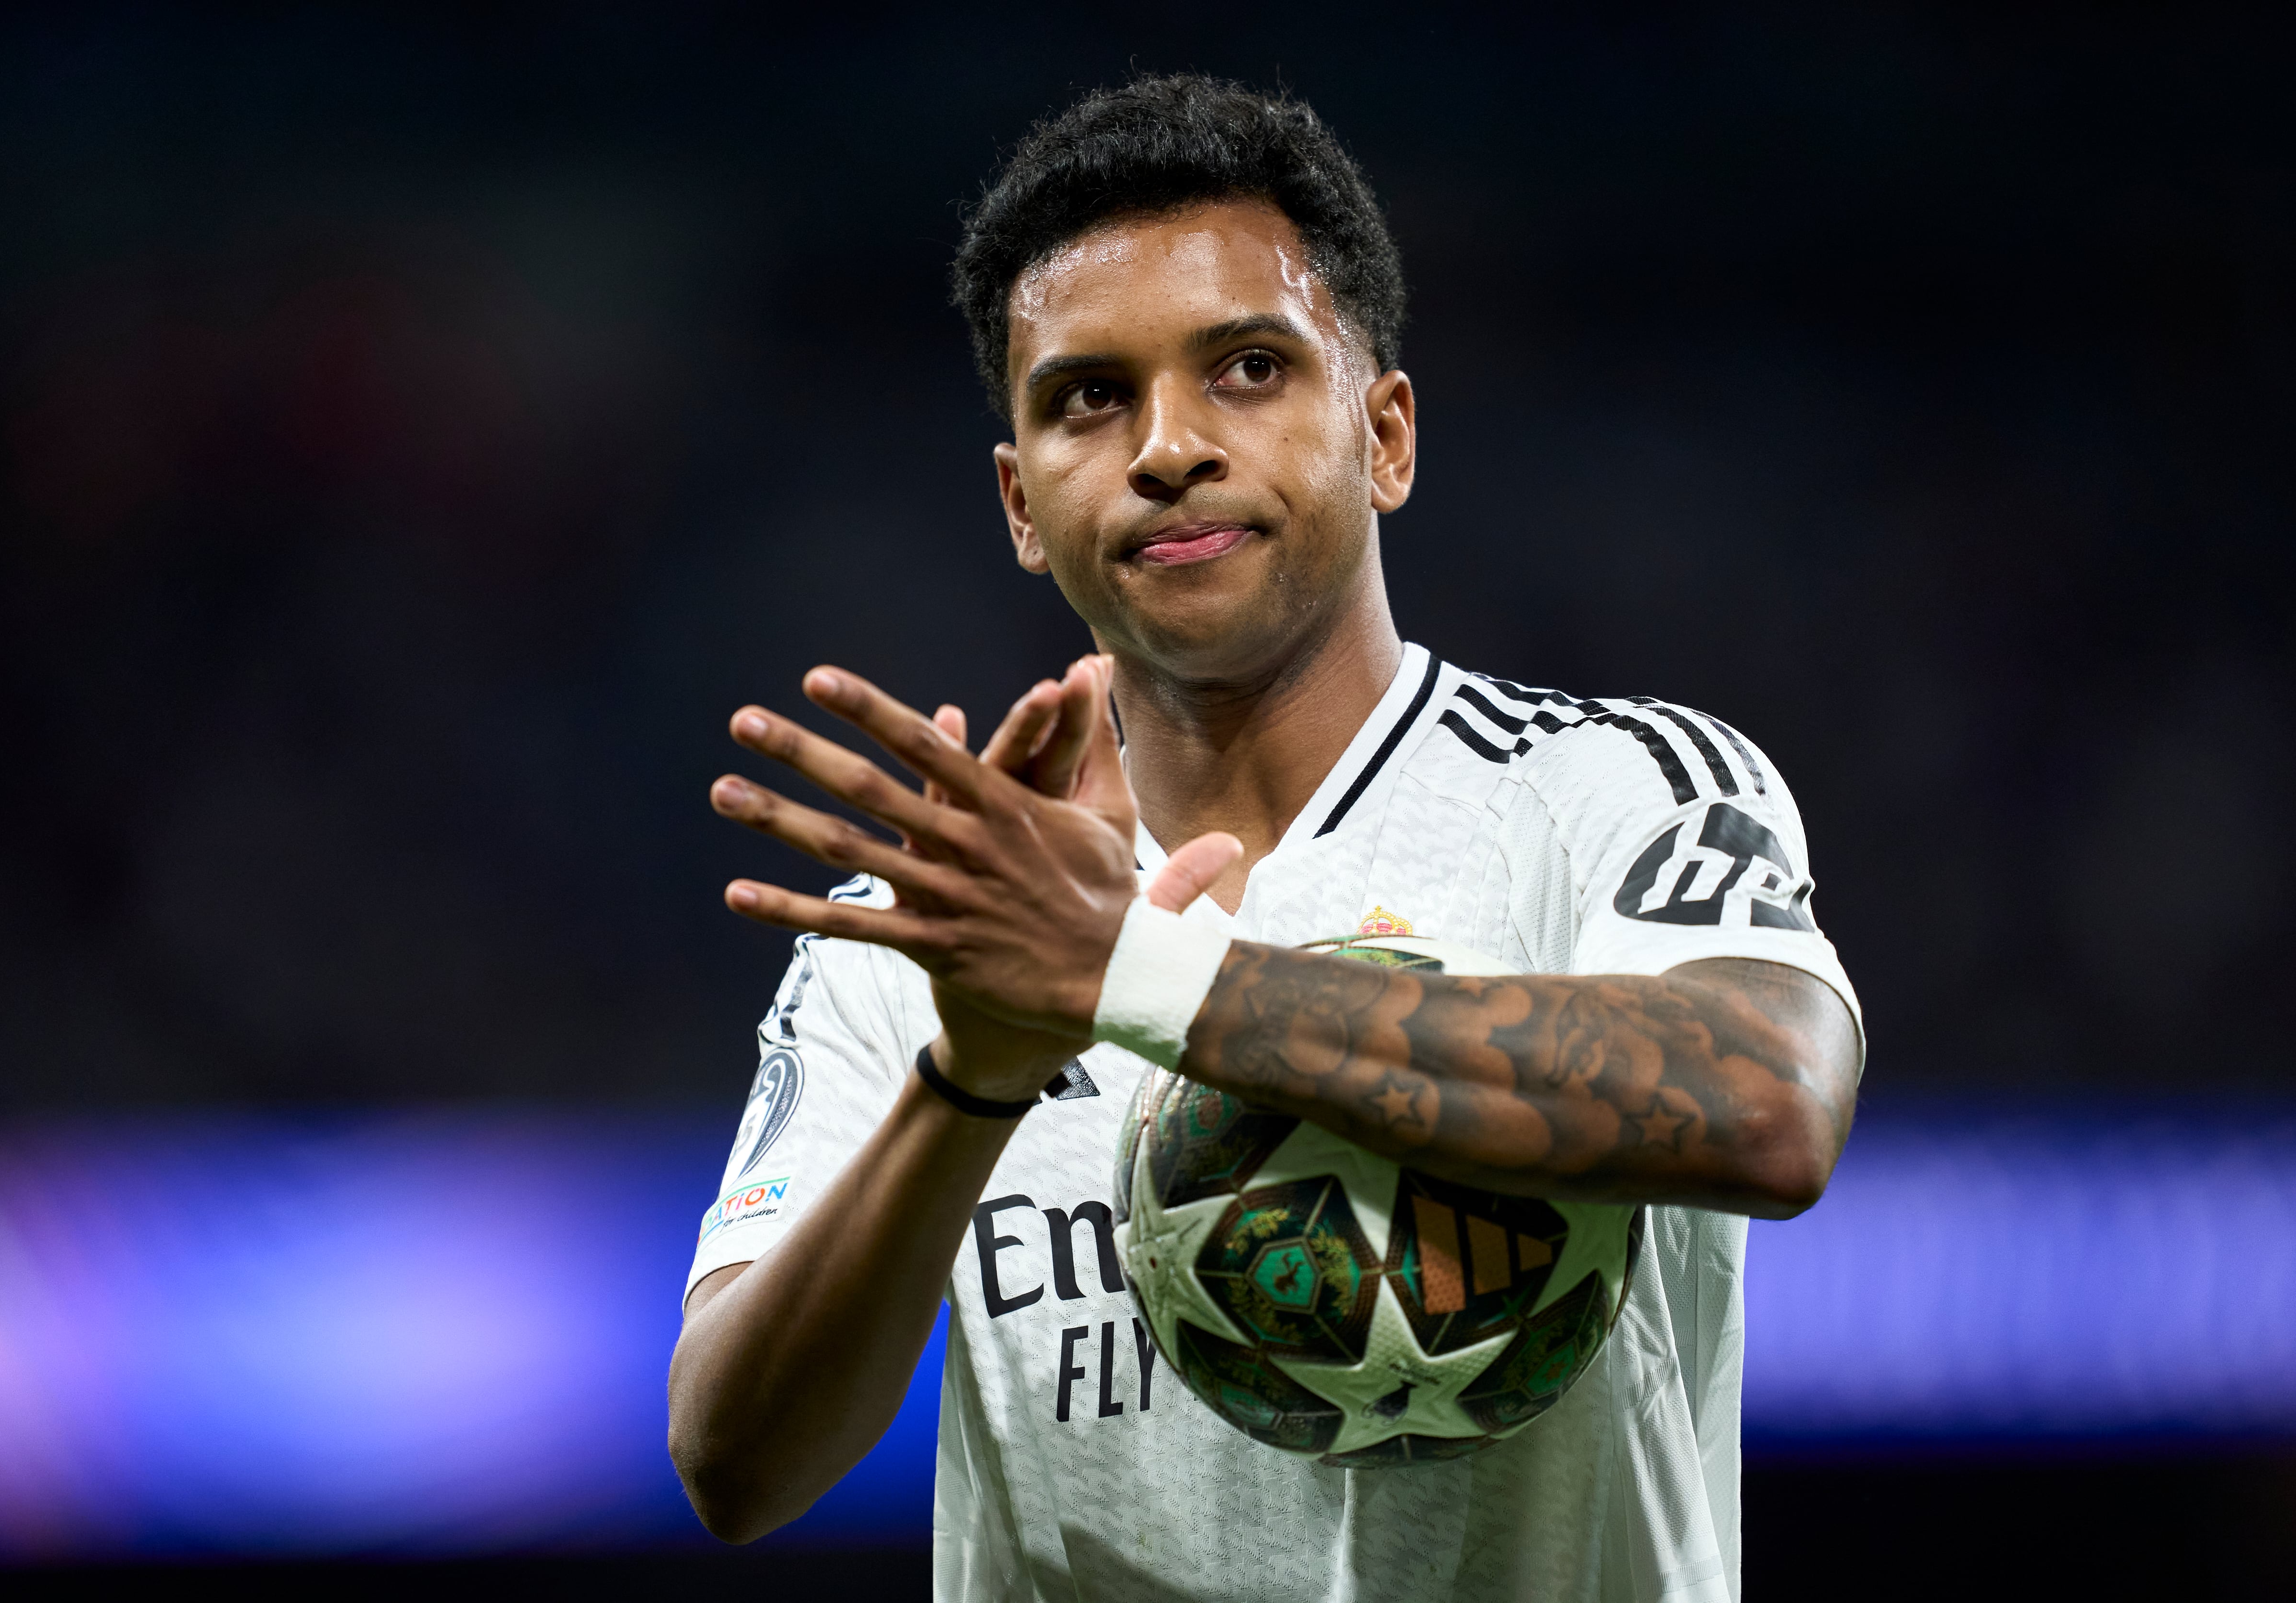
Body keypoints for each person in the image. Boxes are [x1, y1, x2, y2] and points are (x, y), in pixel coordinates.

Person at [669, 74, 1863, 1603]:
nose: (1168, 446)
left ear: (1386, 436)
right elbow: (737, 1468)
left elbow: (1768, 1105)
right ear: (1021, 504)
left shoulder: (1606, 789)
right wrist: (971, 1075)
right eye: (1089, 397)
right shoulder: (931, 939)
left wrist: (1133, 975)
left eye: (1247, 368)